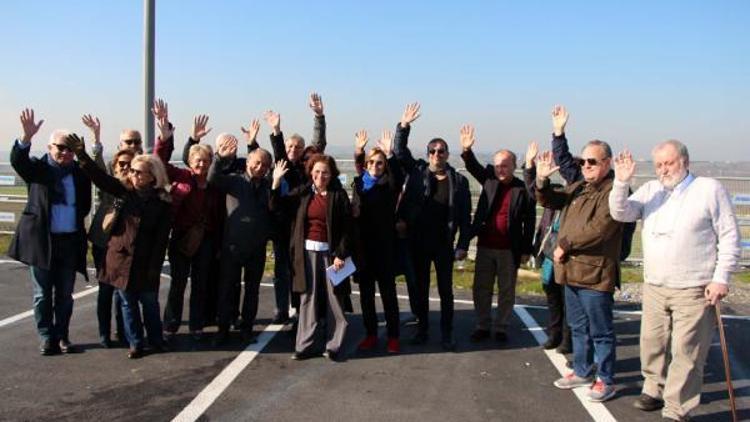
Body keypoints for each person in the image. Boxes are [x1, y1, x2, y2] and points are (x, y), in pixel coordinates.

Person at [609, 141, 741, 420]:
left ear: (685, 162)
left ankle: (677, 407)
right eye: (658, 165)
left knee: (687, 352)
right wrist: (621, 182)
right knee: (651, 342)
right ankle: (653, 388)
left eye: (669, 163)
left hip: (694, 287)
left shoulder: (708, 189)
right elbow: (620, 213)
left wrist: (720, 278)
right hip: (655, 284)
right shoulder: (651, 190)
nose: (663, 169)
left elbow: (729, 236)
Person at [63, 133, 172, 359]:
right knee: (127, 302)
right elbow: (100, 178)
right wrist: (82, 155)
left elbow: (162, 239)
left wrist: (155, 265)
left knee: (150, 302)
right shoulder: (124, 192)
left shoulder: (162, 202)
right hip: (119, 258)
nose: (132, 174)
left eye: (138, 171)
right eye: (131, 170)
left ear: (152, 177)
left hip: (145, 260)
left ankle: (156, 339)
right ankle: (135, 343)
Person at [536, 142, 623, 402]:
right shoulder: (580, 187)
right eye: (583, 162)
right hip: (571, 272)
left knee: (601, 331)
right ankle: (583, 370)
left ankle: (606, 379)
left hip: (595, 274)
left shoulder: (613, 191)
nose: (585, 166)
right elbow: (552, 199)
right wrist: (541, 179)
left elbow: (601, 227)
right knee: (578, 326)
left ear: (607, 163)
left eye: (592, 162)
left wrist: (565, 244)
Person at [8, 109, 92, 356]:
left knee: (65, 294)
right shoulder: (39, 169)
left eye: (69, 148)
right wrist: (25, 137)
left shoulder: (78, 172)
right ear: (49, 147)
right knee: (42, 295)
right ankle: (46, 337)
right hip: (42, 242)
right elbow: (18, 161)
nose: (65, 152)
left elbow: (84, 204)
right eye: (60, 147)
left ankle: (62, 335)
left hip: (69, 241)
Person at [393, 102, 471, 351]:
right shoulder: (416, 172)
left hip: (444, 244)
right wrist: (403, 126)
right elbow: (399, 150)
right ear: (428, 154)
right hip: (418, 241)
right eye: (433, 151)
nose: (437, 154)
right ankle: (423, 329)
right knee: (420, 289)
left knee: (446, 291)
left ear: (448, 154)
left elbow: (465, 218)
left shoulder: (459, 181)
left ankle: (447, 333)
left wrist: (463, 245)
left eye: (442, 150)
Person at [458, 125, 535, 343]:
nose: (501, 169)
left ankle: (501, 327)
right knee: (481, 288)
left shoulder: (522, 189)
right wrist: (466, 150)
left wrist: (526, 250)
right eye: (498, 165)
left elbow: (529, 222)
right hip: (485, 246)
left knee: (506, 290)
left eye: (505, 166)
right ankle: (482, 324)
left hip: (509, 249)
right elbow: (472, 166)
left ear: (513, 166)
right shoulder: (489, 180)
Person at [152, 103, 223, 341]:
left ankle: (196, 325)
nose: (201, 164)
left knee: (201, 285)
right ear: (191, 161)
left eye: (206, 161)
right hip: (181, 238)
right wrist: (164, 137)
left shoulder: (214, 186)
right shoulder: (181, 176)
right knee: (178, 284)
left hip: (206, 240)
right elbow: (159, 162)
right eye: (197, 160)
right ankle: (170, 325)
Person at [271, 154, 352, 361]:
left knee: (336, 298)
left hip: (334, 256)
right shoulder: (303, 193)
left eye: (325, 172)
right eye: (316, 171)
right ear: (311, 172)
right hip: (306, 253)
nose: (320, 175)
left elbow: (347, 229)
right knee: (308, 297)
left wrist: (340, 254)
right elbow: (277, 207)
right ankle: (305, 345)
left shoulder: (339, 195)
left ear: (331, 173)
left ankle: (334, 346)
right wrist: (276, 181)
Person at [264, 93, 327, 324]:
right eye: (290, 145)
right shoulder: (283, 166)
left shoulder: (304, 168)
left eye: (298, 146)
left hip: (303, 227)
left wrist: (319, 117)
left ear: (303, 151)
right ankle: (283, 309)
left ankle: (303, 311)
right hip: (282, 227)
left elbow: (318, 145)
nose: (293, 149)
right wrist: (276, 131)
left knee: (303, 271)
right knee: (282, 270)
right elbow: (280, 154)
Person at [208, 139, 274, 346]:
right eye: (256, 163)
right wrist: (220, 157)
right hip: (232, 247)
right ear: (247, 163)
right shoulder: (235, 181)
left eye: (264, 165)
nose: (259, 167)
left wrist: (276, 184)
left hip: (256, 248)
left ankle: (247, 328)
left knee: (252, 291)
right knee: (227, 289)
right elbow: (212, 179)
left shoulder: (268, 186)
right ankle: (223, 329)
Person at [351, 129, 404, 353]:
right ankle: (371, 334)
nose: (375, 166)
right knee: (365, 297)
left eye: (380, 163)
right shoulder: (359, 185)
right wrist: (359, 151)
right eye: (371, 162)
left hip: (384, 249)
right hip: (363, 249)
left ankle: (393, 337)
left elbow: (398, 177)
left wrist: (390, 152)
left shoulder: (389, 186)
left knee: (389, 296)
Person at [81, 114, 131, 348]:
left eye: (129, 165)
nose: (125, 168)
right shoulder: (108, 182)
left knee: (123, 289)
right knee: (105, 291)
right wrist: (96, 139)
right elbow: (95, 168)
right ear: (114, 166)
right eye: (121, 164)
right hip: (103, 241)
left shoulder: (135, 188)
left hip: (124, 244)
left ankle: (124, 331)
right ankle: (104, 334)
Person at [522, 141, 571, 353]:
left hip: (566, 257)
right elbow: (535, 191)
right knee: (552, 298)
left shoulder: (576, 199)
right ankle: (554, 334)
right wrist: (530, 165)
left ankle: (567, 340)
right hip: (549, 256)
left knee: (567, 300)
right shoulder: (555, 198)